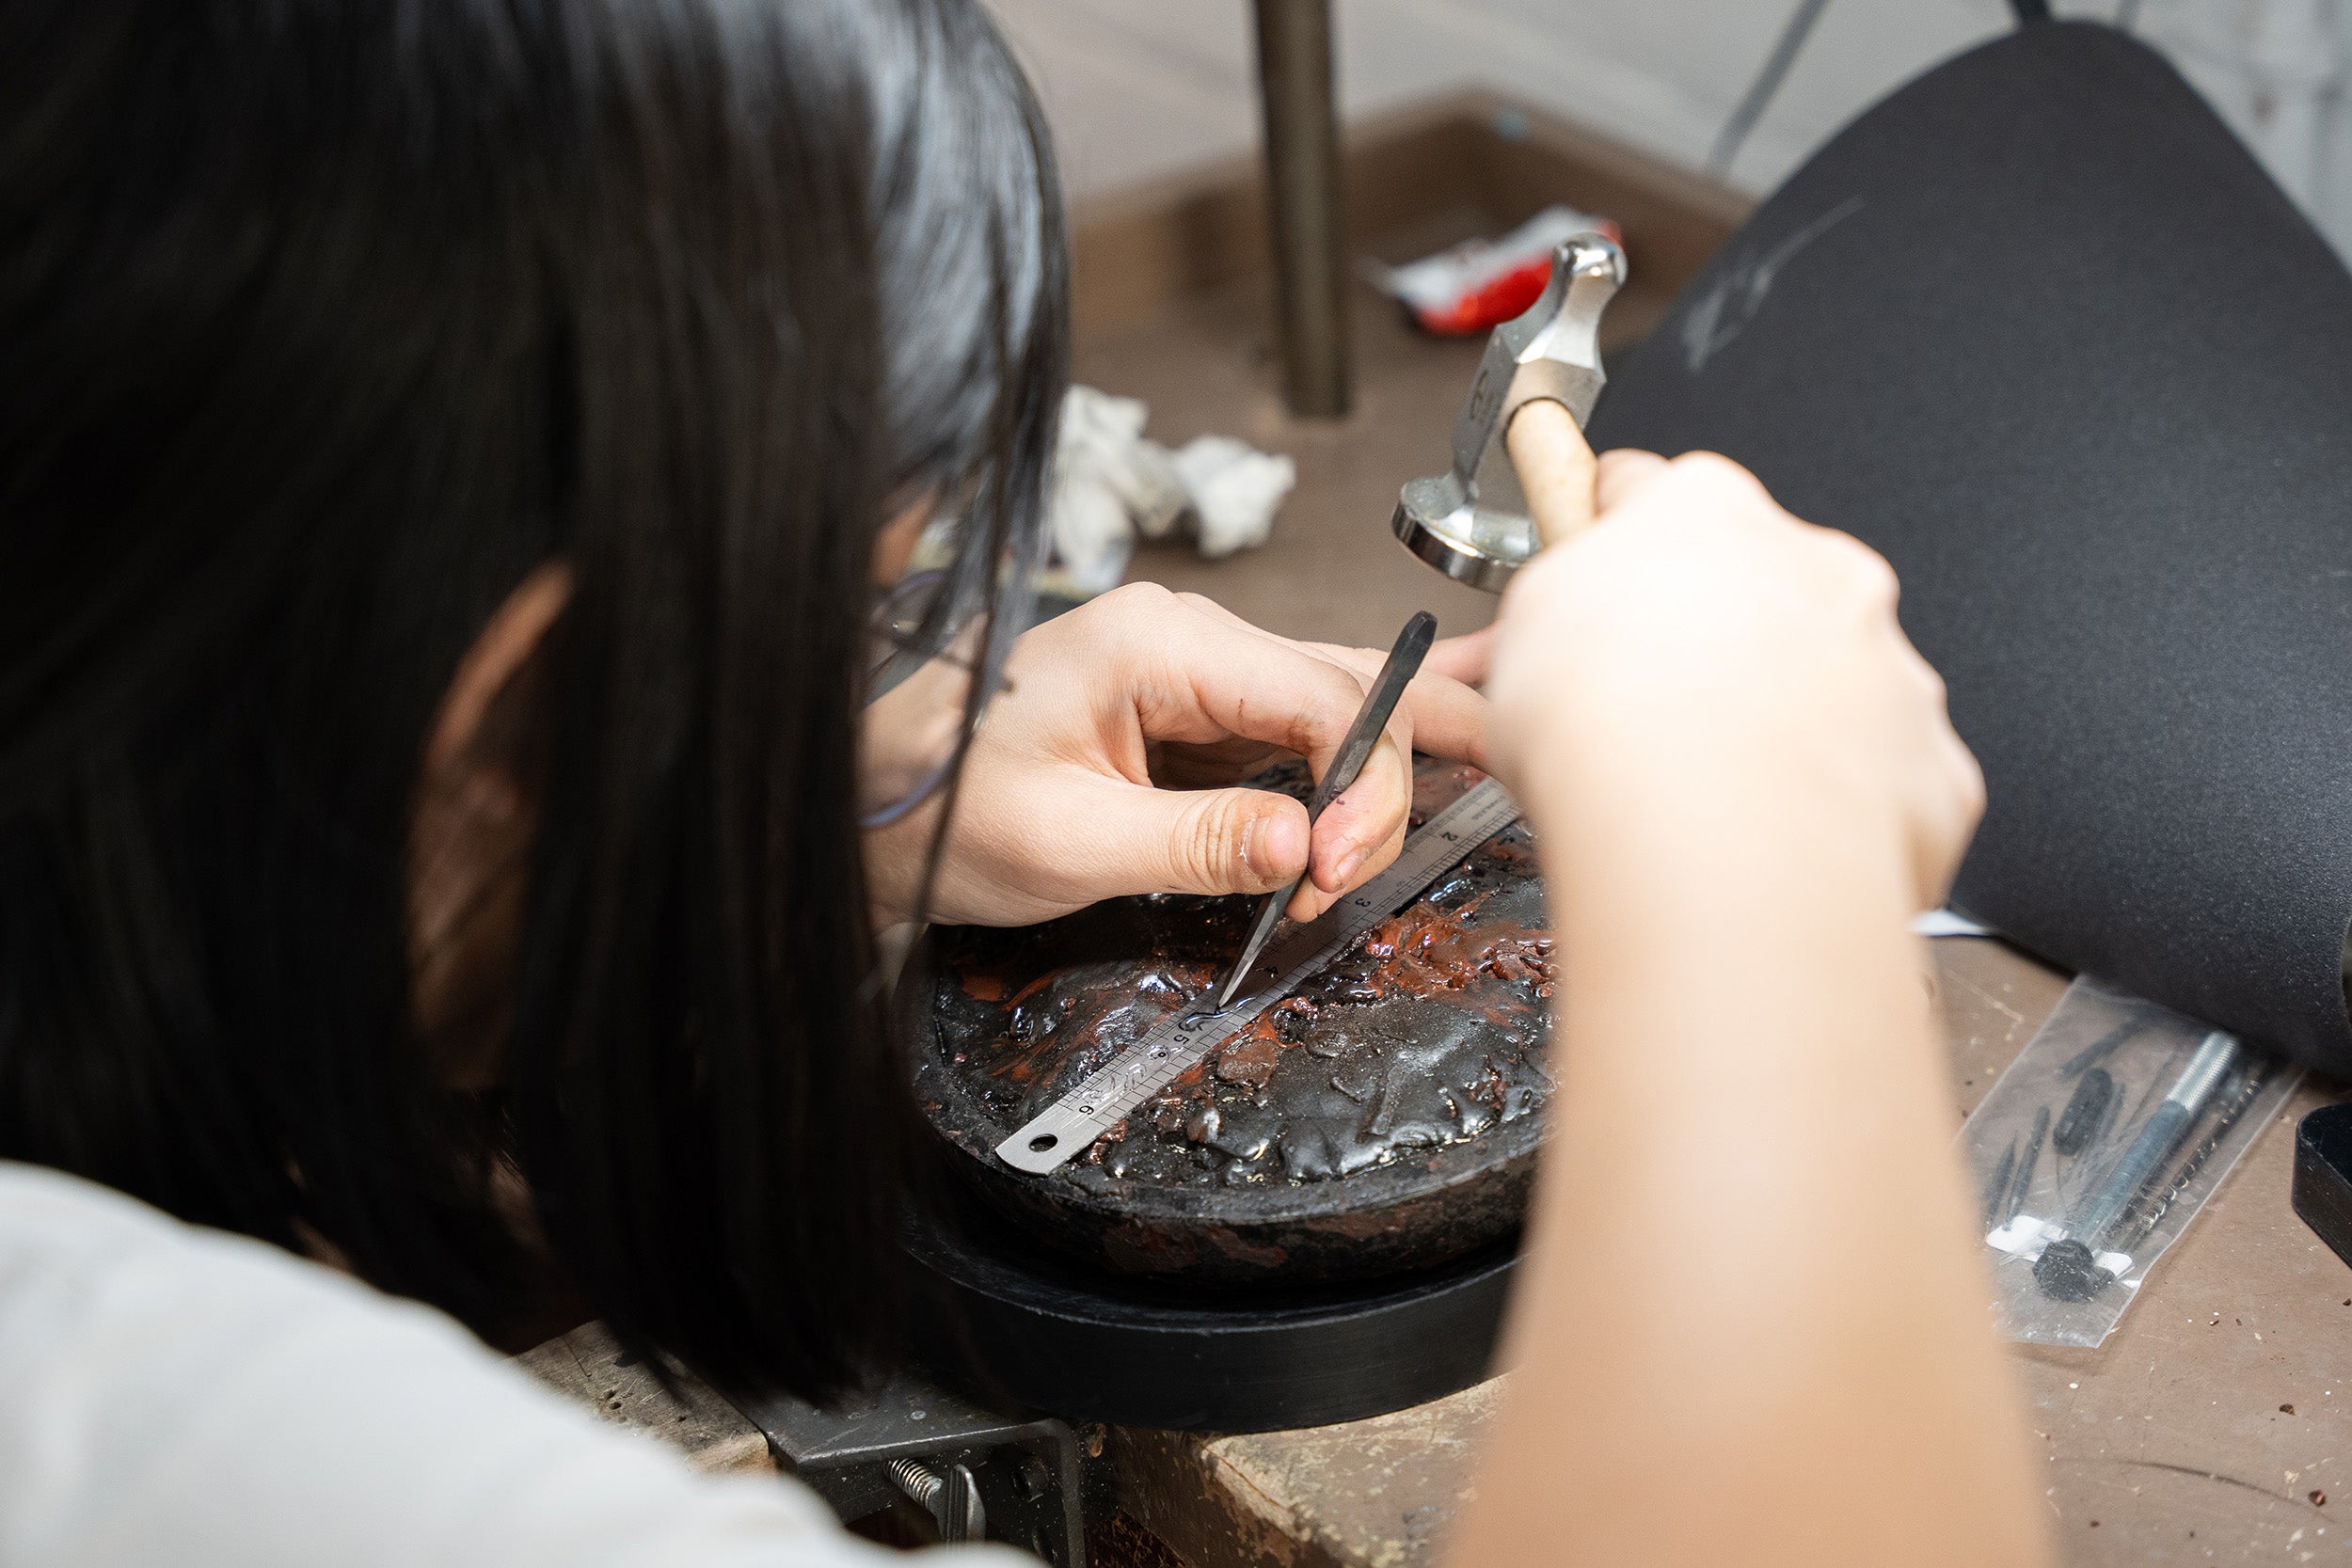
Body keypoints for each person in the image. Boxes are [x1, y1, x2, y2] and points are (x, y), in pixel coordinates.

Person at [0, 1, 2051, 1564]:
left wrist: (831, 776)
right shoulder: (259, 1474)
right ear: (526, 708)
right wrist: (1761, 877)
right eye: (874, 612)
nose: (908, 674)